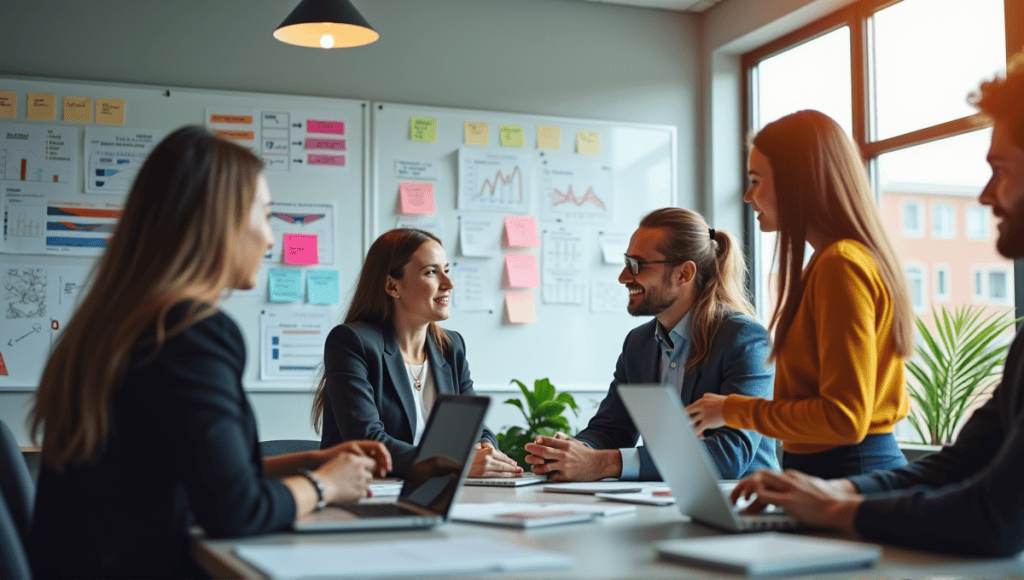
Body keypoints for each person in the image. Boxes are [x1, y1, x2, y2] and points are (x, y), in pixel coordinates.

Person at [26, 127, 391, 579]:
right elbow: (234, 511)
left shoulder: (116, 325)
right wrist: (325, 486)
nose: (272, 240)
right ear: (222, 220)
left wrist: (310, 461)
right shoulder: (190, 332)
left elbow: (182, 471)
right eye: (267, 215)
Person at [728, 53, 1024, 558]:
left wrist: (838, 504)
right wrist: (838, 495)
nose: (983, 196)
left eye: (999, 169)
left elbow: (993, 515)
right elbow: (963, 462)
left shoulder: (842, 263)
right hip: (846, 474)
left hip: (853, 460)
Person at [687, 109, 914, 479]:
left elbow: (843, 418)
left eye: (756, 180)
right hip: (837, 471)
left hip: (847, 472)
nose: (747, 196)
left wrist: (733, 409)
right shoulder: (835, 262)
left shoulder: (840, 265)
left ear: (797, 184)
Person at [524, 207, 779, 481]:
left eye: (637, 265)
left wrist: (604, 463)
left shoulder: (745, 339)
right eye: (626, 262)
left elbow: (729, 457)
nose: (623, 276)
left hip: (744, 507)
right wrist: (573, 451)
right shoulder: (639, 343)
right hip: (661, 501)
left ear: (684, 274)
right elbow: (612, 429)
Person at [312, 228, 522, 478]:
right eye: (431, 272)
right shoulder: (351, 342)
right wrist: (454, 464)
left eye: (447, 270)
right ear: (392, 286)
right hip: (367, 491)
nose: (448, 283)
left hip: (434, 490)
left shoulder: (451, 347)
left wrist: (485, 447)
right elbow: (368, 442)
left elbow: (473, 428)